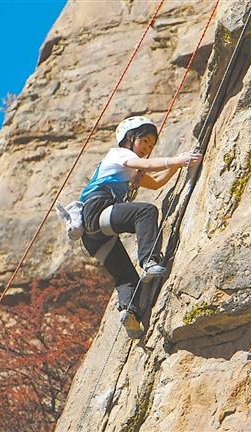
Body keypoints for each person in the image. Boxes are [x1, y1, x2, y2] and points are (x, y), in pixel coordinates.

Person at [79, 116, 202, 337]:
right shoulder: (119, 154)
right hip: (97, 211)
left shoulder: (127, 169)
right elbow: (147, 165)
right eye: (144, 141)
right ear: (128, 138)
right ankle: (149, 261)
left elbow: (155, 183)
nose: (146, 148)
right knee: (145, 211)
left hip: (93, 235)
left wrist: (177, 166)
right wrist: (178, 159)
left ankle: (130, 314)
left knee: (126, 277)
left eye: (151, 145)